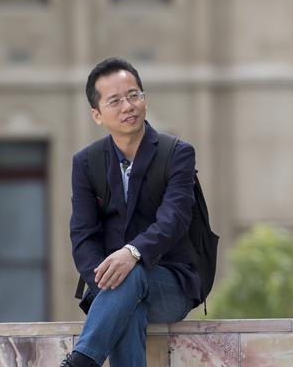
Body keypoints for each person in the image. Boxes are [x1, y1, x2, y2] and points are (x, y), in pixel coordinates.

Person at [62, 58, 201, 367]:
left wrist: (133, 253)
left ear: (144, 100)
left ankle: (81, 362)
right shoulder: (85, 163)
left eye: (133, 95)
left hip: (171, 283)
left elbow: (174, 219)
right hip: (115, 287)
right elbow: (83, 236)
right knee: (128, 304)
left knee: (132, 275)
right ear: (97, 115)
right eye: (115, 100)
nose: (128, 106)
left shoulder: (177, 153)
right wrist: (106, 283)